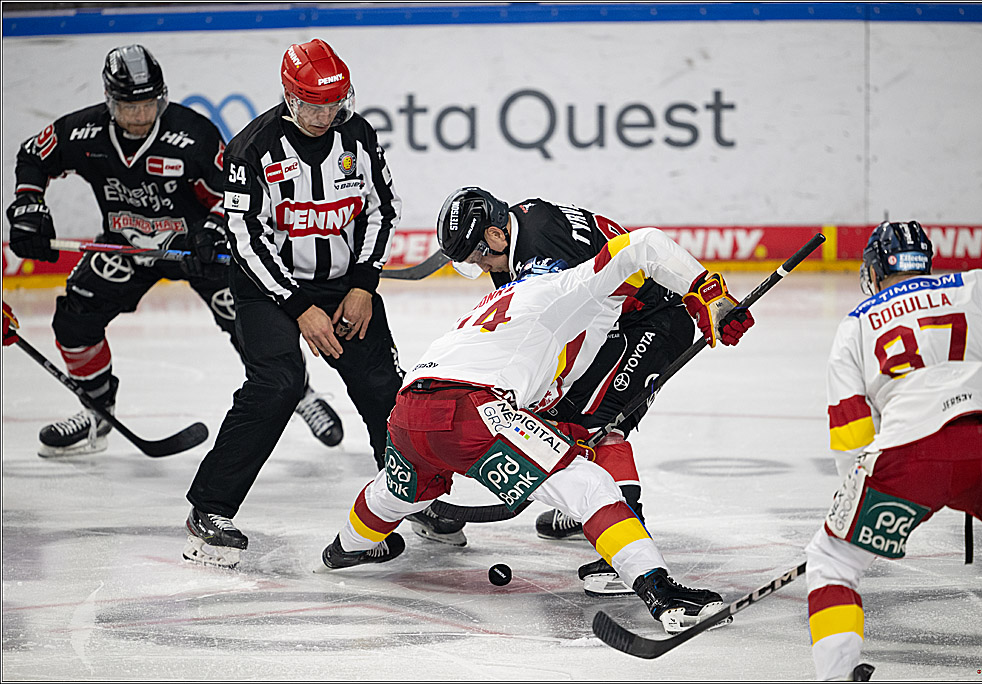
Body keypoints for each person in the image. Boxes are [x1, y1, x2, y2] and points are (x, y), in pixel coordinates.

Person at [316, 226, 754, 633]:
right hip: (473, 411)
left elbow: (523, 378)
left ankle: (343, 549)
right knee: (591, 486)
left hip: (410, 412)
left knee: (393, 493)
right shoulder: (563, 288)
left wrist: (554, 429)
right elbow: (642, 245)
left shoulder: (496, 304)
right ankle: (663, 596)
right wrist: (707, 295)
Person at [5, 44, 342, 458]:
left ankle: (301, 394)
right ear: (110, 101)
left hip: (198, 250)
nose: (140, 115)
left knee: (250, 323)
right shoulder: (83, 132)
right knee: (75, 320)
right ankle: (97, 411)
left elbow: (234, 191)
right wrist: (28, 204)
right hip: (127, 248)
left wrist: (215, 228)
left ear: (161, 96)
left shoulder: (193, 133)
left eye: (149, 103)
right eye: (129, 106)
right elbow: (33, 156)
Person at [427, 187, 725, 597]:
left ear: (495, 236)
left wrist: (542, 391)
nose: (482, 266)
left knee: (598, 425)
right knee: (571, 415)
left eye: (480, 256)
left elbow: (579, 330)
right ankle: (592, 510)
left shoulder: (545, 251)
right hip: (617, 319)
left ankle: (625, 541)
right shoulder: (517, 231)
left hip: (651, 322)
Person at [182, 38, 407, 568]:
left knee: (383, 388)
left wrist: (363, 284)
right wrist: (299, 304)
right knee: (277, 383)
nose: (325, 115)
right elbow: (244, 238)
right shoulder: (251, 148)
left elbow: (381, 208)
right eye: (313, 104)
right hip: (268, 288)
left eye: (335, 103)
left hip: (345, 284)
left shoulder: (358, 134)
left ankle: (410, 493)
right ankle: (209, 511)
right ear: (289, 96)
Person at [806, 221, 982, 680]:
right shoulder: (975, 285)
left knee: (832, 560)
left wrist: (853, 506)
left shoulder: (858, 323)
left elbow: (850, 431)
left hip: (911, 452)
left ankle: (837, 676)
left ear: (876, 268)